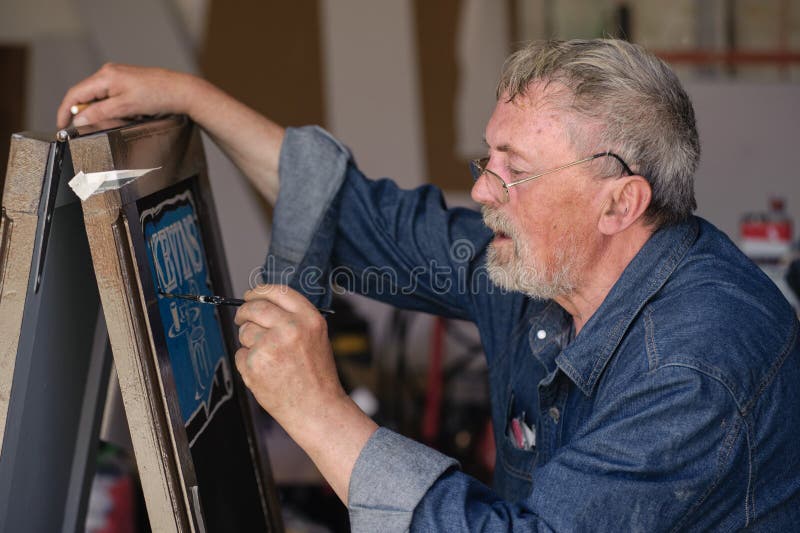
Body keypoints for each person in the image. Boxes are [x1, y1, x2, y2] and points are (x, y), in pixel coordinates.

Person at [58, 39, 800, 531]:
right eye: (489, 159)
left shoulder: (695, 368)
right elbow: (363, 217)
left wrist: (319, 410)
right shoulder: (547, 266)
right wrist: (189, 97)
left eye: (516, 168)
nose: (483, 192)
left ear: (620, 202)